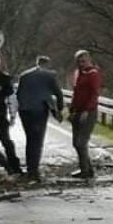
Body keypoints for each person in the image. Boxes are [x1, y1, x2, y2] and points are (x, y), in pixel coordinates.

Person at [16, 55, 64, 181]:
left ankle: (30, 168)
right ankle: (34, 171)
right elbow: (58, 94)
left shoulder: (24, 75)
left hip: (24, 110)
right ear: (47, 64)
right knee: (37, 141)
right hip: (39, 111)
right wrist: (59, 110)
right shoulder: (49, 76)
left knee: (30, 139)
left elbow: (19, 94)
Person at [70, 50, 102, 178]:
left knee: (81, 142)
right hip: (77, 110)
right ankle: (88, 168)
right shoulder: (79, 73)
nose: (81, 64)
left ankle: (85, 170)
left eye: (83, 61)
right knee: (75, 142)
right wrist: (72, 109)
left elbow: (94, 94)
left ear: (89, 60)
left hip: (88, 112)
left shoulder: (93, 74)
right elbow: (76, 93)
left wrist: (87, 111)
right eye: (79, 61)